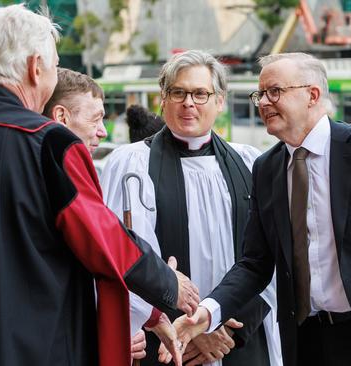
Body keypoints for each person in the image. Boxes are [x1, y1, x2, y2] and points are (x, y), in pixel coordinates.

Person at [0, 5, 199, 366]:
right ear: (35, 67)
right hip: (32, 345)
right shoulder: (50, 143)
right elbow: (104, 239)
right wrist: (167, 283)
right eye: (55, 66)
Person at [168, 52, 351, 366]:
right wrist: (207, 313)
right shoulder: (266, 169)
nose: (263, 103)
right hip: (307, 342)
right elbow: (255, 264)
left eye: (275, 92)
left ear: (312, 95)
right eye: (260, 94)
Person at [100, 50, 282, 366]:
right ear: (163, 98)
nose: (189, 103)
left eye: (200, 94)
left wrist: (222, 326)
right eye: (178, 92)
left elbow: (274, 257)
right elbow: (121, 258)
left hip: (238, 336)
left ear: (220, 101)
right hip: (167, 340)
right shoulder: (130, 166)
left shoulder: (251, 163)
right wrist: (190, 328)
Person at [43, 67, 168, 362]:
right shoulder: (61, 174)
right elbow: (105, 250)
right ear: (61, 117)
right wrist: (167, 288)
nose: (103, 131)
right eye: (96, 118)